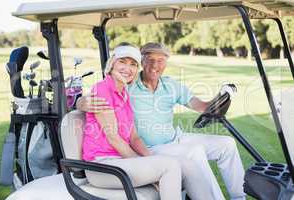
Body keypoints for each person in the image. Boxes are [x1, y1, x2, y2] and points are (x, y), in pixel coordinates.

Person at [78, 42, 246, 200]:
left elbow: (203, 106)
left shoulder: (131, 92)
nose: (155, 65)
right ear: (142, 62)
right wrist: (79, 102)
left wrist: (223, 96)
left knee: (226, 144)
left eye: (160, 61)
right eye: (150, 60)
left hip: (171, 139)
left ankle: (239, 197)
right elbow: (112, 134)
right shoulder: (128, 85)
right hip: (127, 154)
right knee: (193, 152)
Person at [82, 43, 182, 200]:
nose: (127, 68)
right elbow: (114, 139)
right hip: (102, 166)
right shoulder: (102, 89)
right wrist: (145, 164)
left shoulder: (124, 94)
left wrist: (149, 158)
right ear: (112, 63)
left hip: (120, 162)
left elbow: (134, 137)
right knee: (170, 166)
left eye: (133, 64)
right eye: (123, 61)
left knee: (182, 164)